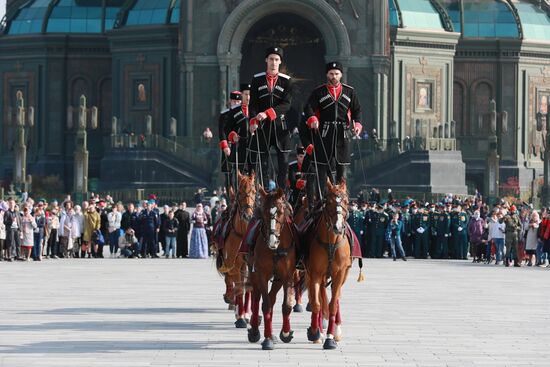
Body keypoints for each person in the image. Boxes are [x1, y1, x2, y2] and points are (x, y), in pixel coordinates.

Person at [302, 61, 362, 205]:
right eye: (331, 74)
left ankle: (341, 201)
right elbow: (308, 107)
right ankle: (321, 201)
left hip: (342, 134)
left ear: (341, 75)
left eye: (336, 74)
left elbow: (357, 110)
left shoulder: (350, 91)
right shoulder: (319, 91)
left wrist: (357, 124)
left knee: (341, 171)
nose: (334, 76)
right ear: (327, 74)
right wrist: (312, 119)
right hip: (324, 133)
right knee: (322, 169)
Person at [248, 46, 293, 188]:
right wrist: (253, 120)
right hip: (262, 127)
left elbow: (286, 104)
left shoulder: (287, 81)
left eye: (277, 59)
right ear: (266, 60)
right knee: (263, 163)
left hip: (281, 127)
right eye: (271, 59)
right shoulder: (257, 79)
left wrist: (267, 113)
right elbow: (253, 104)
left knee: (283, 163)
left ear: (280, 62)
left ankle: (281, 194)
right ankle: (265, 192)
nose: (274, 62)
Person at [218, 91, 249, 193]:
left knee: (242, 173)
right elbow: (221, 131)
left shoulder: (244, 113)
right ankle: (230, 198)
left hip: (241, 146)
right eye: (234, 101)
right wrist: (225, 146)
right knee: (229, 174)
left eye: (238, 101)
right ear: (230, 101)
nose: (236, 103)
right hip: (229, 145)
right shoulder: (225, 114)